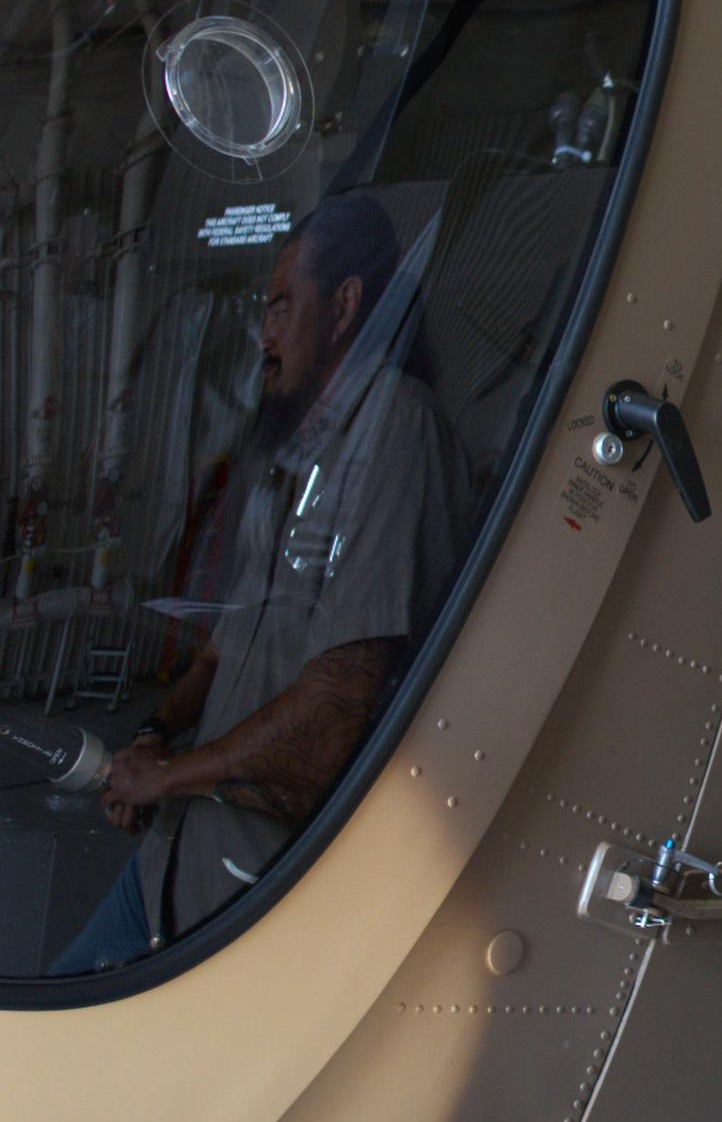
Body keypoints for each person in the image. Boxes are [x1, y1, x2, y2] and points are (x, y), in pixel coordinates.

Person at [55, 192, 467, 972]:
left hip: (252, 888)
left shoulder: (398, 436)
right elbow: (227, 644)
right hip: (172, 863)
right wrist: (156, 736)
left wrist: (168, 777)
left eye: (282, 307)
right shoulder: (297, 450)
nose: (263, 334)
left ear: (344, 305)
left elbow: (341, 702)